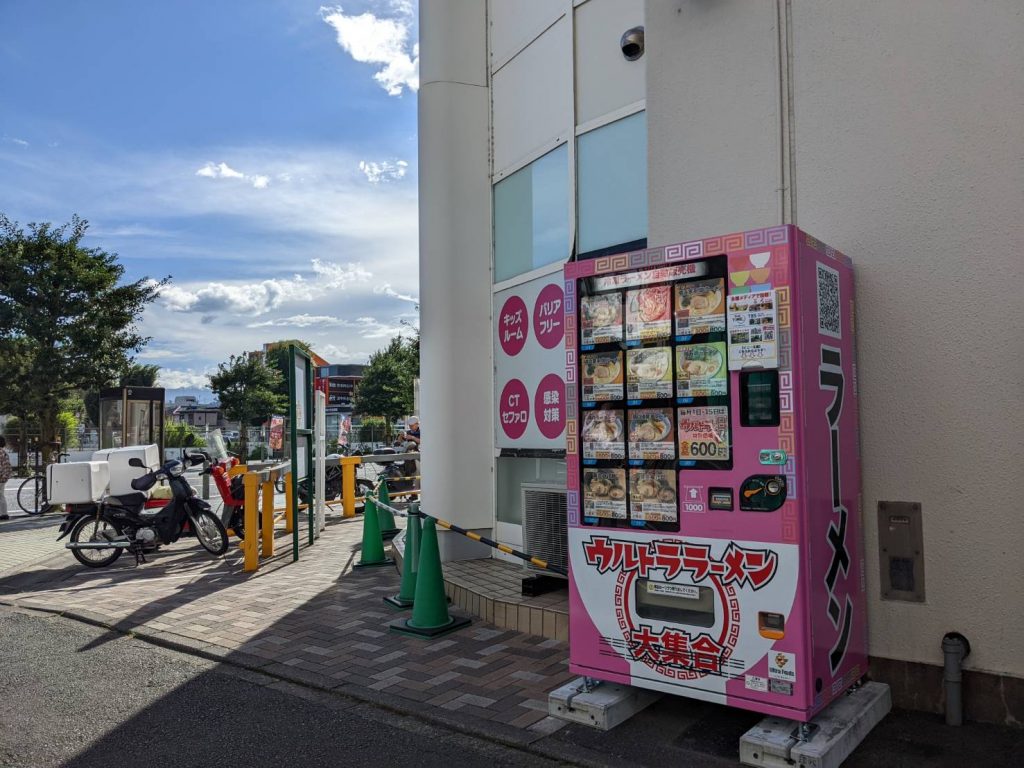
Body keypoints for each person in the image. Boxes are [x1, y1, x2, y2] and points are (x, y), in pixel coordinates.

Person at [0, 436, 12, 521]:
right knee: (1, 495)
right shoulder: (3, 452)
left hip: (1, 476)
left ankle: (4, 514)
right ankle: (4, 513)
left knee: (1, 496)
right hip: (3, 476)